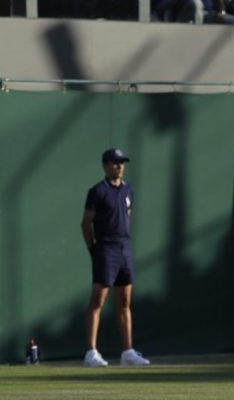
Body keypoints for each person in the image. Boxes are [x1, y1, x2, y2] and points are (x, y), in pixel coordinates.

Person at [81, 148, 151, 368]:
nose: (119, 166)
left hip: (125, 248)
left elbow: (126, 216)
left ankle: (128, 352)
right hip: (106, 248)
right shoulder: (97, 191)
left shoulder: (128, 190)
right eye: (114, 162)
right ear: (105, 165)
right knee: (98, 301)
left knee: (124, 302)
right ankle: (91, 353)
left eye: (122, 162)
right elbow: (86, 223)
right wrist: (93, 249)